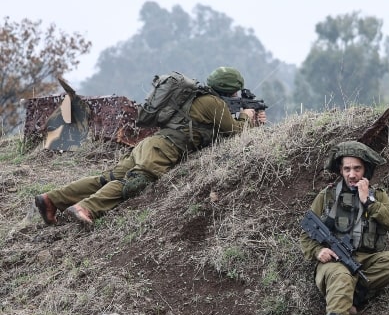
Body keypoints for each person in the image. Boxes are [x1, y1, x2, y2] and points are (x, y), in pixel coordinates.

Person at [33, 67, 266, 228]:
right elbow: (235, 133)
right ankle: (86, 208)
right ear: (230, 90)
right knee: (134, 183)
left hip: (149, 145)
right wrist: (247, 117)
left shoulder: (196, 97)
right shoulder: (214, 103)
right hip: (163, 151)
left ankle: (52, 199)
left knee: (106, 178)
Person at [301, 141, 389, 315]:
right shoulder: (328, 196)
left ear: (365, 170)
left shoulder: (378, 195)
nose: (351, 174)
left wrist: (368, 201)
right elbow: (306, 233)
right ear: (340, 170)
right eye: (347, 169)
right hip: (335, 263)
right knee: (341, 276)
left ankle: (350, 295)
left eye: (357, 169)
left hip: (365, 261)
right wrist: (318, 251)